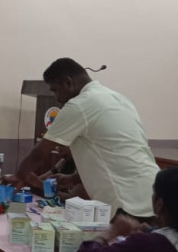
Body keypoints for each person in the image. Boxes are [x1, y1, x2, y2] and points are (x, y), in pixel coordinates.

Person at [14, 58, 159, 219]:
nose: (57, 98)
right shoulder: (119, 98)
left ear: (68, 83)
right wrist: (74, 178)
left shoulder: (79, 104)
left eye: (56, 90)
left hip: (127, 202)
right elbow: (117, 153)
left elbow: (39, 153)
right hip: (155, 194)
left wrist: (18, 177)